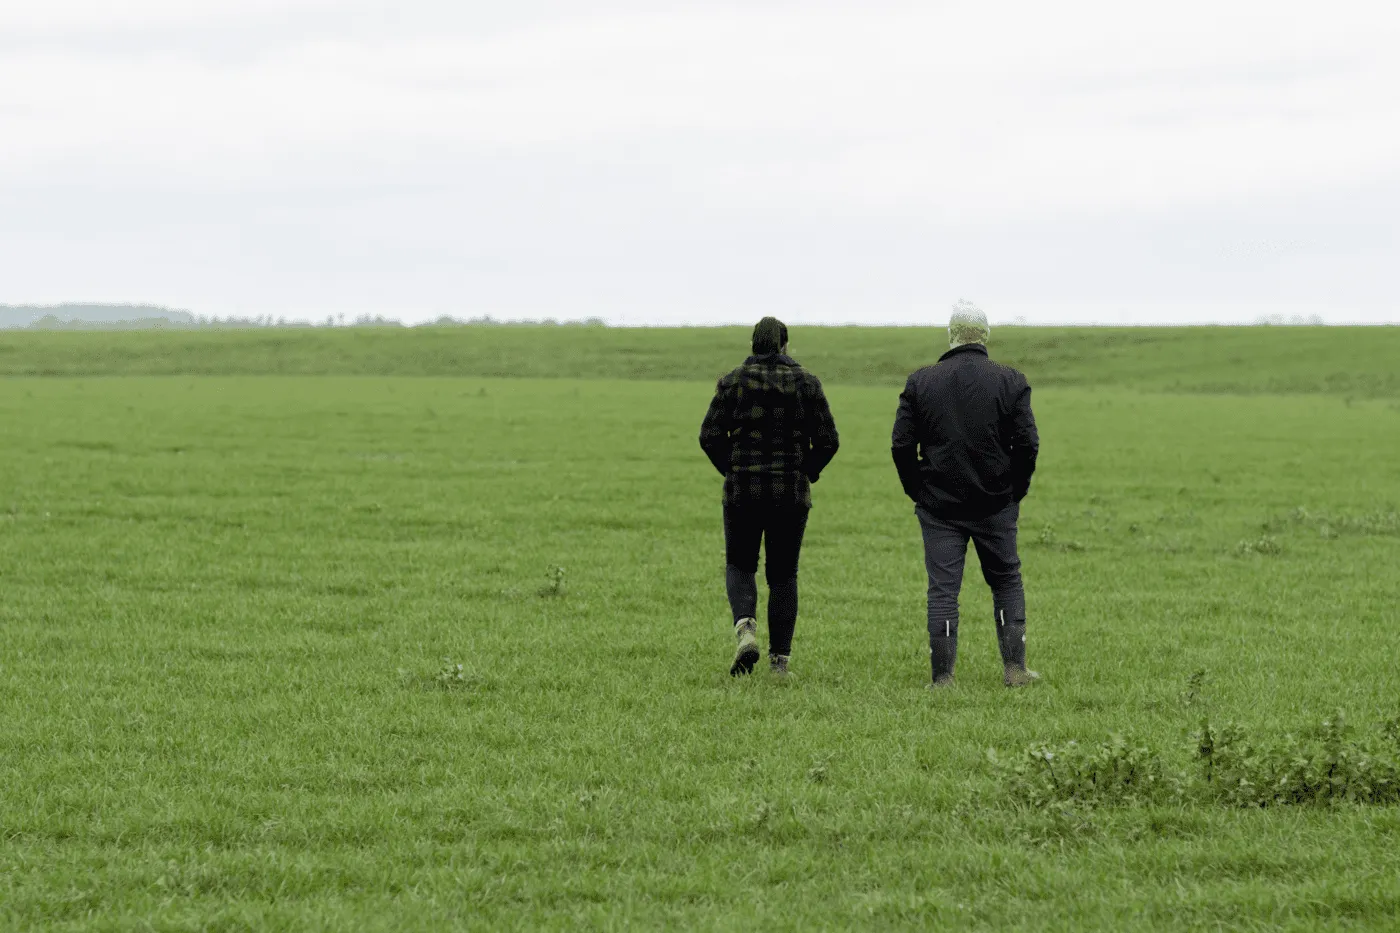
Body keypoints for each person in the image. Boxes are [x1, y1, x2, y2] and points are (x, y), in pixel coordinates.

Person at [890, 302, 1041, 688]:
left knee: (943, 589)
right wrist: (1014, 491)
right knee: (1006, 581)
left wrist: (918, 491)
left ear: (951, 335)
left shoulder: (921, 382)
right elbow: (1027, 444)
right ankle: (1015, 669)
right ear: (985, 335)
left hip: (939, 505)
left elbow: (901, 445)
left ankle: (943, 678)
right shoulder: (1011, 381)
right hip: (996, 503)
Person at [699, 318, 840, 677]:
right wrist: (806, 471)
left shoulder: (732, 382)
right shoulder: (807, 383)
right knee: (783, 575)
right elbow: (828, 441)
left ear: (753, 344)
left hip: (742, 491)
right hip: (790, 493)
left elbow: (709, 436)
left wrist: (731, 469)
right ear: (784, 345)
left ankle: (746, 629)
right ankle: (780, 664)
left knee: (740, 565)